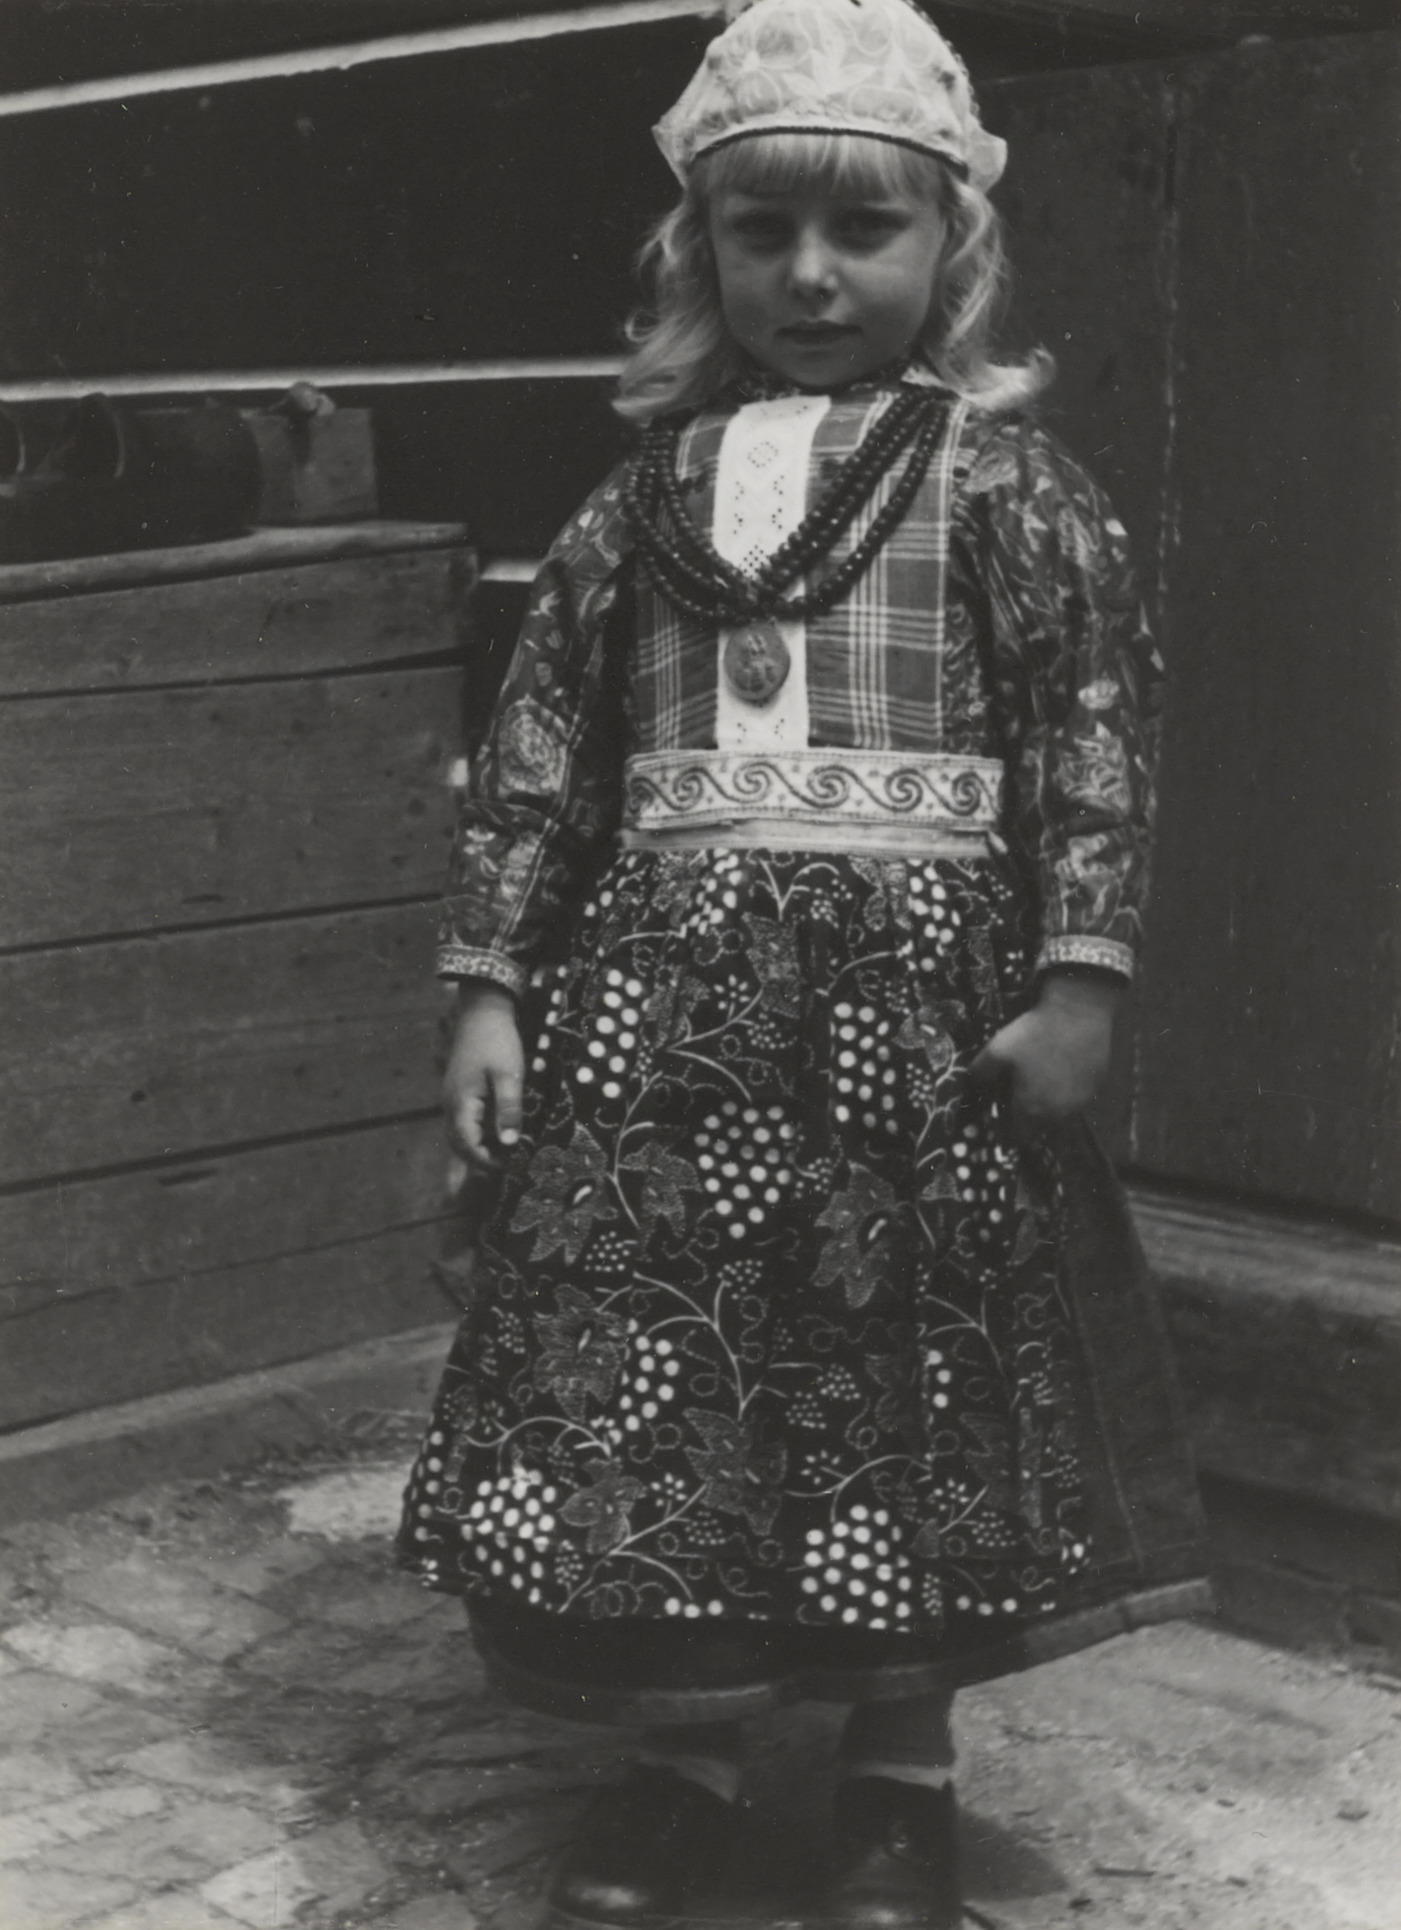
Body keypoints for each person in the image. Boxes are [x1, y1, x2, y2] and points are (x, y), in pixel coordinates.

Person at [399, 2, 1210, 1923]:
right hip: (659, 1032)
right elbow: (541, 757)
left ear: (951, 247)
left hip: (907, 1031)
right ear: (702, 254)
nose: (813, 275)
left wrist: (1079, 983)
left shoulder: (1005, 489)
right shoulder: (634, 505)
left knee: (891, 1376)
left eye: (864, 229)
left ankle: (895, 1772)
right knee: (658, 1374)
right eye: (762, 234)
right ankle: (678, 1758)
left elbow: (1090, 738)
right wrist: (491, 985)